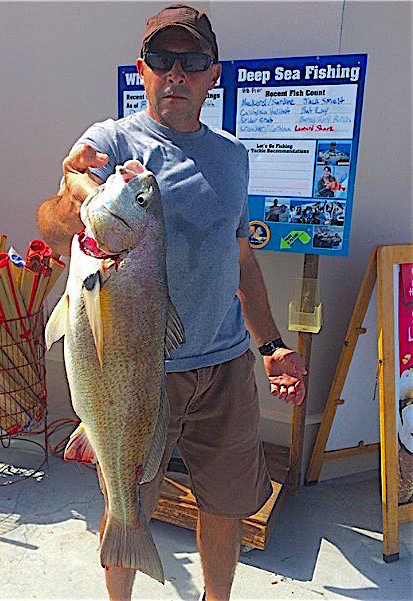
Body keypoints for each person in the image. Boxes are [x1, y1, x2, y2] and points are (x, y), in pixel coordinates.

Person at [37, 5, 307, 600]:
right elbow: (56, 226)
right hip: (138, 372)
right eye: (162, 60)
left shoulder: (234, 157)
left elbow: (241, 261)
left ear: (214, 75)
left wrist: (271, 346)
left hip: (225, 366)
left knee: (227, 503)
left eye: (191, 62)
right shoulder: (111, 140)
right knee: (126, 495)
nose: (176, 73)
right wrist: (76, 189)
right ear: (143, 69)